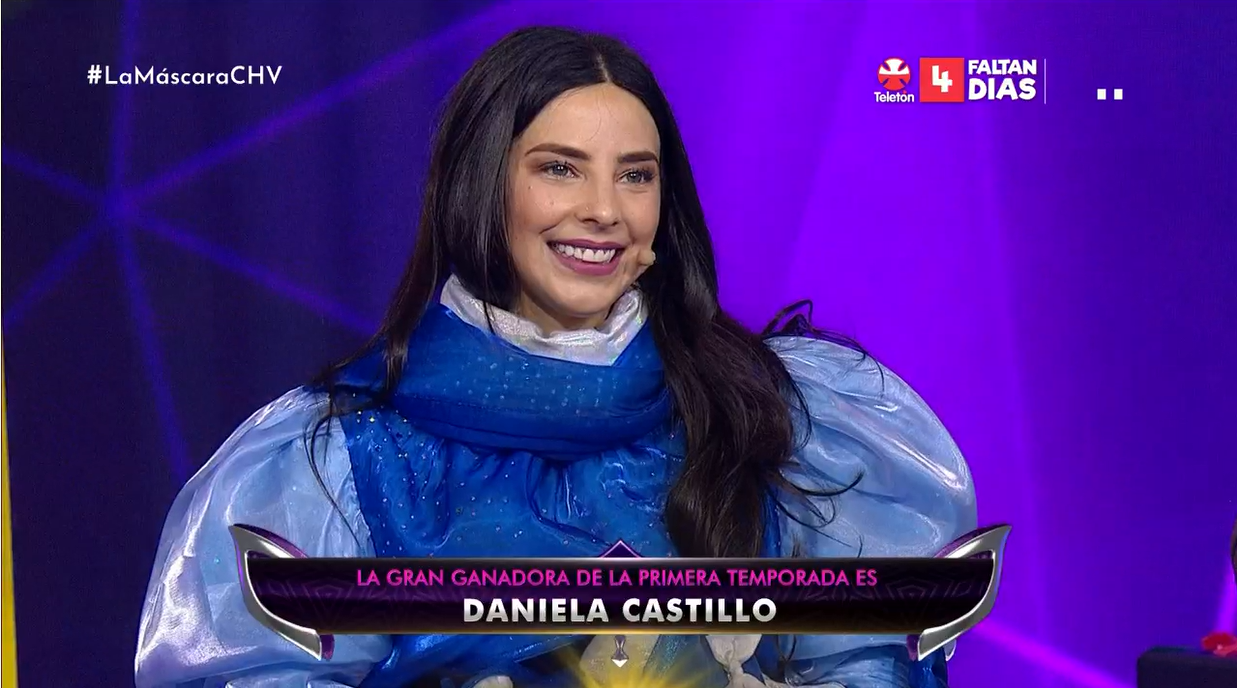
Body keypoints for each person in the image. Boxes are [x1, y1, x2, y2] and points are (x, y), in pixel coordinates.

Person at [134, 26, 976, 688]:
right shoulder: (336, 458)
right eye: (560, 169)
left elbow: (865, 662)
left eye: (635, 176)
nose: (604, 210)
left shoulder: (776, 411)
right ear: (480, 183)